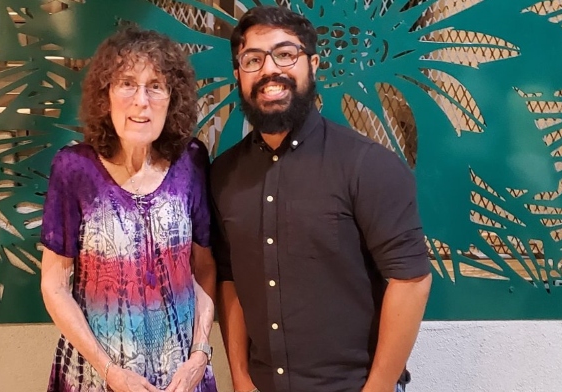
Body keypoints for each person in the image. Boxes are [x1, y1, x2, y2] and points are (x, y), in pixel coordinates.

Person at [210, 6, 432, 392]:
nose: (268, 70)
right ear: (238, 75)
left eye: (285, 54)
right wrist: (242, 380)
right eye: (253, 59)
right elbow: (229, 280)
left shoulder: (367, 165)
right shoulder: (223, 174)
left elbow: (410, 279)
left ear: (313, 65)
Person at [40, 27, 217, 392]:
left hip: (181, 375)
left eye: (156, 85)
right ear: (105, 96)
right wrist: (110, 372)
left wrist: (199, 355)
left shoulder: (191, 161)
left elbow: (204, 269)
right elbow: (54, 286)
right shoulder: (74, 169)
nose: (142, 101)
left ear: (173, 99)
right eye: (127, 84)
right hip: (98, 376)